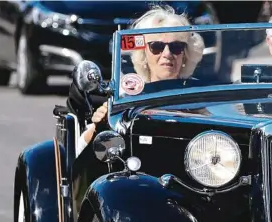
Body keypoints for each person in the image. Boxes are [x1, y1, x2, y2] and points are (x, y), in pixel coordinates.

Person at [72, 5, 205, 154]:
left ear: (185, 54)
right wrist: (100, 126)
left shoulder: (199, 95)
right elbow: (80, 150)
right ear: (144, 54)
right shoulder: (126, 96)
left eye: (176, 47)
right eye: (157, 46)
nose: (167, 54)